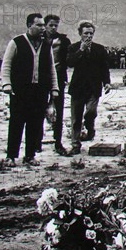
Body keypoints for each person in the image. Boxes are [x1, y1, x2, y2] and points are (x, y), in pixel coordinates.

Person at [1, 13, 59, 166]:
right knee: (16, 123)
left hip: (39, 92)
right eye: (38, 25)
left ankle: (30, 156)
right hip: (20, 91)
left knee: (35, 123)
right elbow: (6, 64)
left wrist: (54, 88)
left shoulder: (46, 46)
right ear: (29, 25)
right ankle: (11, 156)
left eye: (42, 25)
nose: (42, 28)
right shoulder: (16, 42)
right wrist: (6, 84)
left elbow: (52, 69)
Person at [67, 21, 111, 155]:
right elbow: (70, 63)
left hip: (93, 87)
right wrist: (81, 50)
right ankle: (75, 144)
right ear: (80, 34)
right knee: (76, 119)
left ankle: (90, 128)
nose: (89, 36)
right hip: (78, 88)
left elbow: (104, 67)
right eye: (86, 33)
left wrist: (107, 83)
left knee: (91, 112)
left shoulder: (99, 49)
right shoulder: (73, 47)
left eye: (91, 33)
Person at [44, 15, 71, 156]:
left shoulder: (63, 40)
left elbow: (68, 59)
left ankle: (58, 142)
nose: (54, 28)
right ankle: (36, 142)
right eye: (51, 25)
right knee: (38, 110)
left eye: (56, 25)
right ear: (45, 25)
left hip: (58, 78)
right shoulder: (39, 39)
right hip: (41, 79)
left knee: (59, 110)